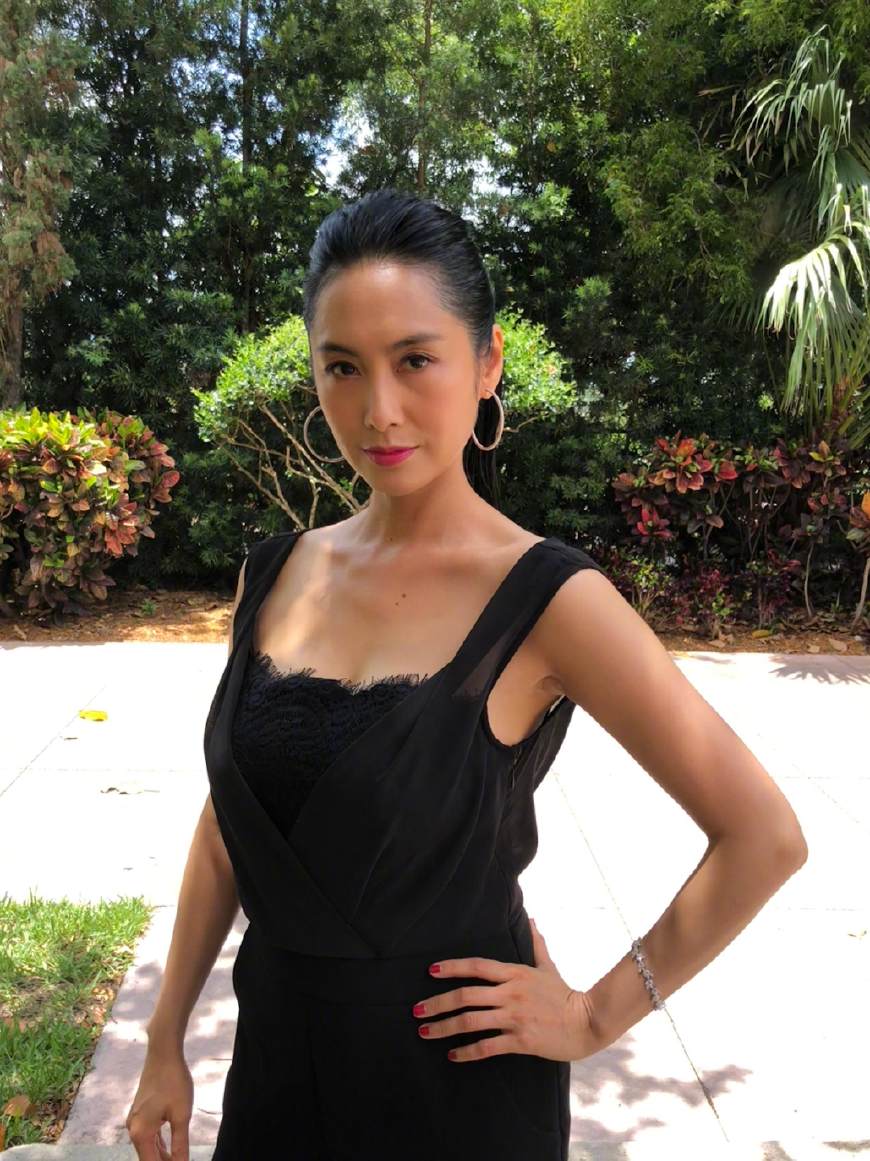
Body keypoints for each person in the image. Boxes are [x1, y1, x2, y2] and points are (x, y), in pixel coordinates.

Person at [126, 188, 808, 1161]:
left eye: (415, 359)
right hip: (278, 1073)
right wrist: (165, 1039)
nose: (379, 409)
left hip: (457, 1100)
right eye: (343, 367)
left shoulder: (549, 599)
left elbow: (764, 837)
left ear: (487, 363)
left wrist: (593, 1016)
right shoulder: (274, 574)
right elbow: (232, 829)